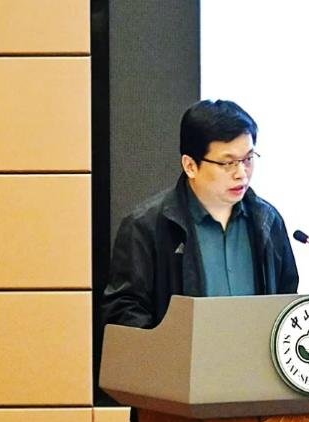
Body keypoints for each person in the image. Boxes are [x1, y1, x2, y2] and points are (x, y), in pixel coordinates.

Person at [102, 98, 298, 329]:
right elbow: (124, 311)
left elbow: (287, 300)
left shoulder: (268, 221)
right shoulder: (146, 227)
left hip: (253, 353)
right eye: (227, 163)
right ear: (190, 166)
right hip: (180, 353)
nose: (241, 173)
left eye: (248, 159)